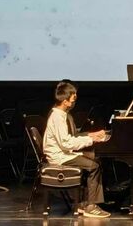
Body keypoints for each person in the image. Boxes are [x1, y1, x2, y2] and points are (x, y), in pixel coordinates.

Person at [43, 81, 110, 218]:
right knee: (94, 166)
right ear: (65, 101)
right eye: (73, 99)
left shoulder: (64, 114)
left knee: (96, 158)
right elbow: (67, 143)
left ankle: (86, 201)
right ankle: (91, 206)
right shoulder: (57, 117)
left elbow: (73, 136)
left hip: (65, 153)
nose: (75, 102)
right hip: (59, 157)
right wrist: (92, 140)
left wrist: (92, 135)